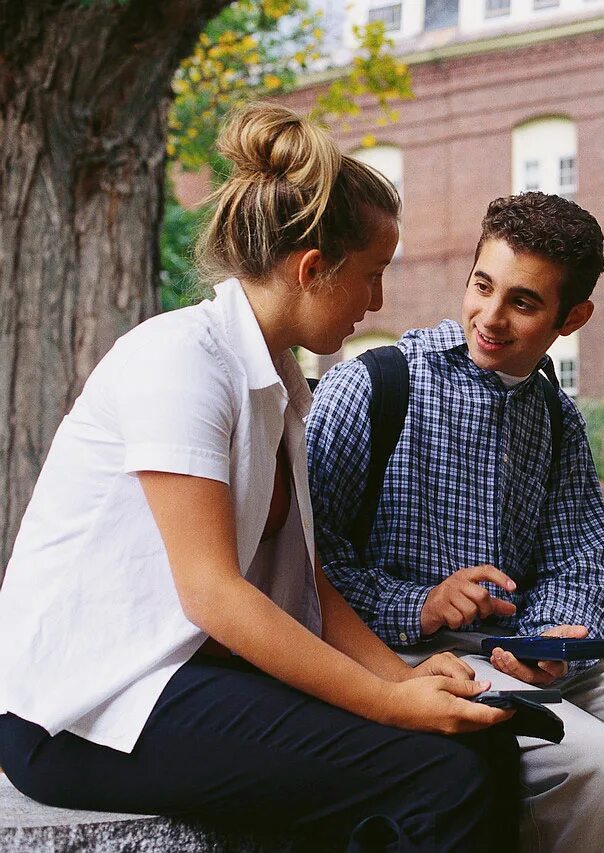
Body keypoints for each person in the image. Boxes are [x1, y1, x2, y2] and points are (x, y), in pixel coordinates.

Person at [0, 104, 520, 852]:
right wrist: (384, 703)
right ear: (312, 270)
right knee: (442, 777)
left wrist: (401, 681)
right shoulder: (179, 361)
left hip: (180, 680)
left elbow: (311, 588)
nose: (378, 302)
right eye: (371, 277)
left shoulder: (277, 385)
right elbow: (213, 593)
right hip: (82, 708)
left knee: (483, 746)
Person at [306, 191, 604, 852]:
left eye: (522, 301)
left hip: (526, 652)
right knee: (600, 769)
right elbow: (303, 558)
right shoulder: (373, 385)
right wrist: (422, 602)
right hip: (404, 651)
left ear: (573, 317)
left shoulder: (555, 415)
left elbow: (581, 558)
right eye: (482, 285)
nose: (490, 316)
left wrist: (552, 637)